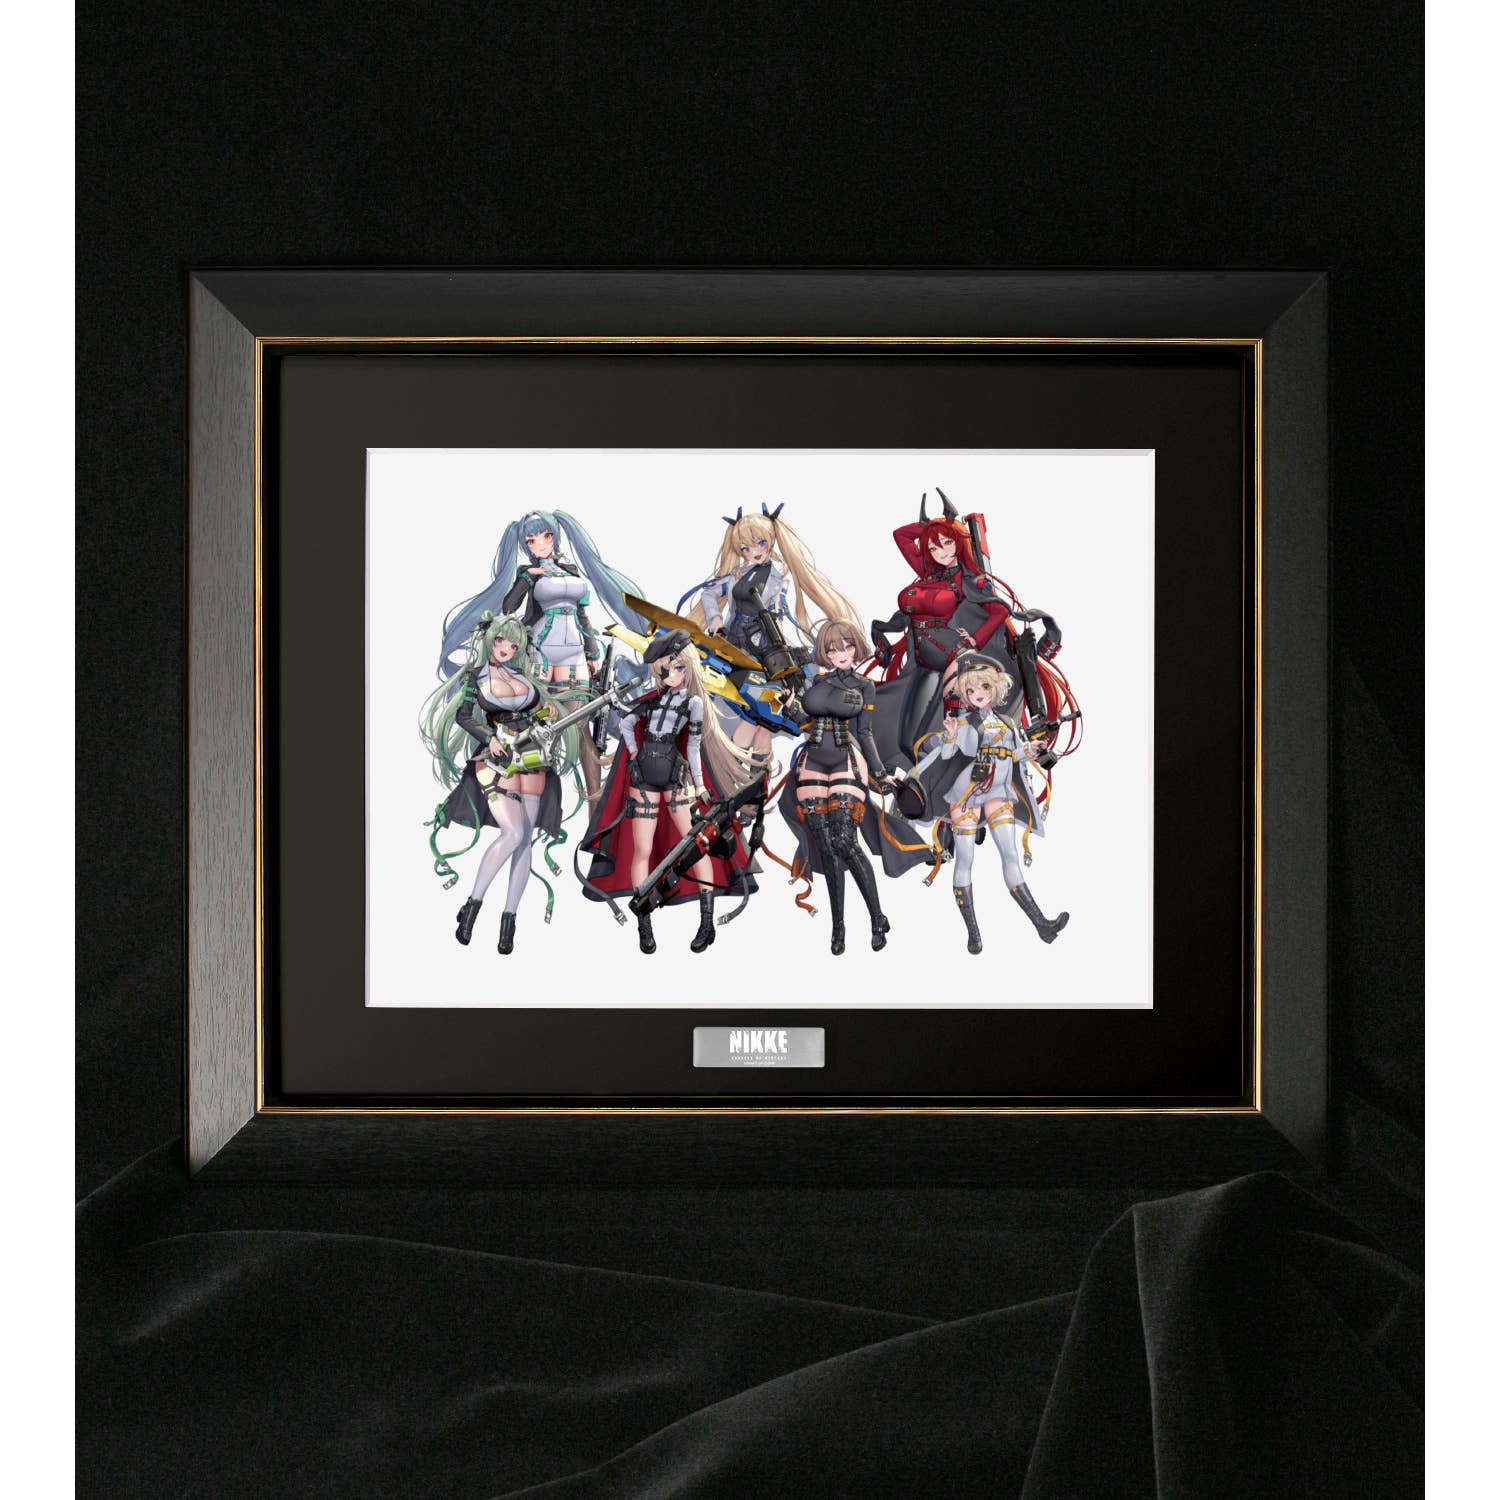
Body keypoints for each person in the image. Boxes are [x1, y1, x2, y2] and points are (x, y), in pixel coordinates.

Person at [578, 629, 759, 954]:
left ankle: (706, 922)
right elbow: (627, 724)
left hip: (676, 779)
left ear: (687, 668)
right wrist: (634, 753)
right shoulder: (649, 702)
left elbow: (693, 747)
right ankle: (644, 924)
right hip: (644, 780)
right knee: (642, 849)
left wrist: (700, 785)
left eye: (676, 668)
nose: (670, 675)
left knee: (695, 847)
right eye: (664, 670)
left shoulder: (693, 704)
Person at [420, 613, 581, 955]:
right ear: (490, 639)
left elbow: (535, 712)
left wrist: (548, 714)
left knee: (525, 840)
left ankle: (509, 922)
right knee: (513, 833)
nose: (506, 647)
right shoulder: (474, 676)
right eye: (500, 640)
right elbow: (463, 715)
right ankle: (472, 907)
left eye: (512, 643)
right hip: (497, 757)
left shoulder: (522, 676)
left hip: (532, 756)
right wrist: (488, 736)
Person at [911, 652, 1069, 952]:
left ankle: (1042, 925)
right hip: (968, 794)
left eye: (983, 687)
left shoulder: (1007, 722)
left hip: (999, 792)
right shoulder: (965, 722)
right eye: (971, 690)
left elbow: (1016, 755)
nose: (978, 694)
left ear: (994, 687)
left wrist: (1033, 748)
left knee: (1010, 854)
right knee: (965, 859)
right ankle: (973, 935)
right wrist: (952, 735)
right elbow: (953, 754)